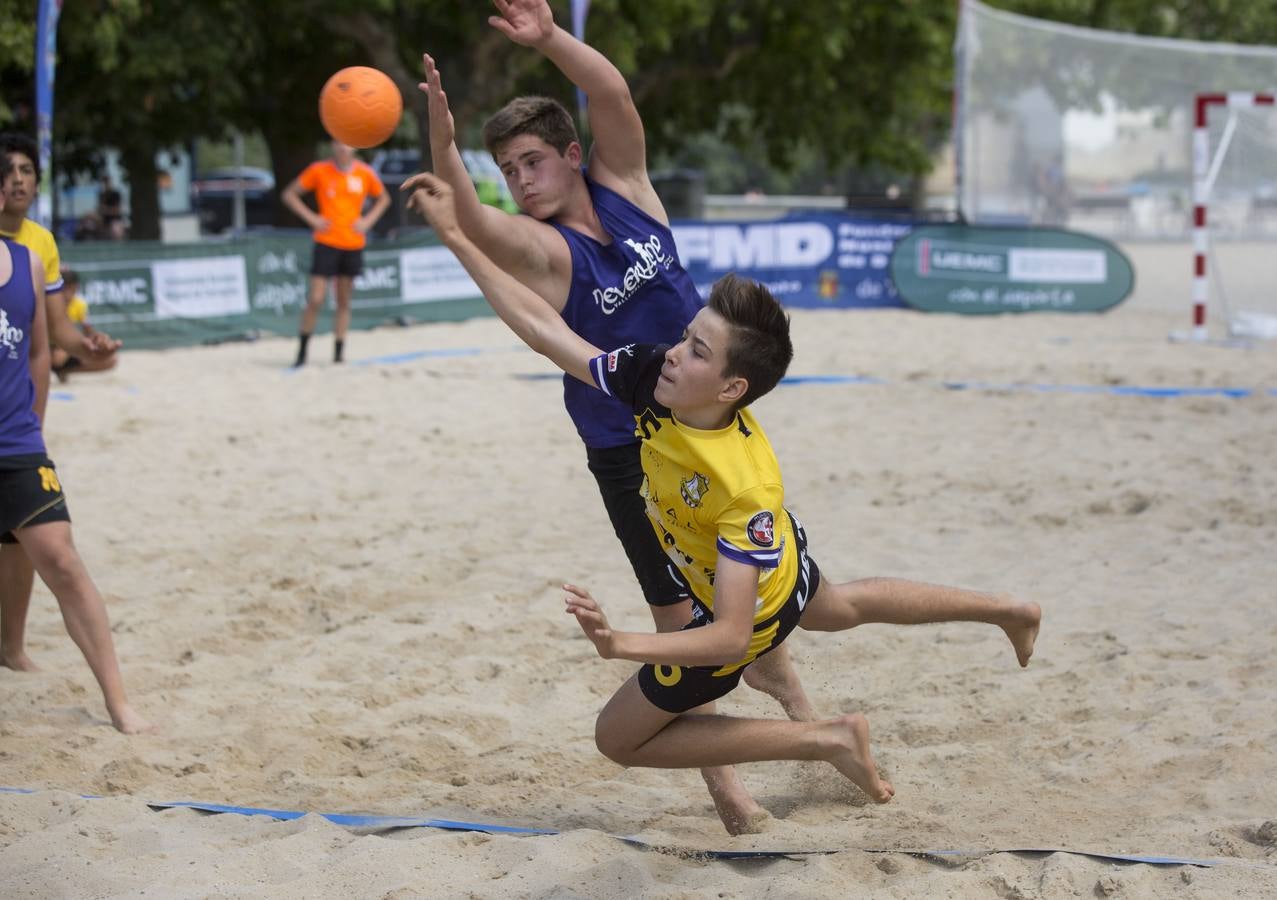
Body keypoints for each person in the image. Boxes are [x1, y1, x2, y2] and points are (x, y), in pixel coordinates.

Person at [409, 172, 1042, 826]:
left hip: (749, 607)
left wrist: (619, 643)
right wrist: (458, 237)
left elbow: (728, 635)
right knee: (841, 606)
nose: (675, 356)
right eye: (685, 339)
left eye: (696, 352)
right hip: (782, 564)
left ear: (730, 387)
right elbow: (546, 333)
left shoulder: (742, 490)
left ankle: (827, 737)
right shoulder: (653, 378)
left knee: (617, 738)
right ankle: (1007, 608)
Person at [403, 0, 813, 833]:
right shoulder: (546, 250)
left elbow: (614, 95)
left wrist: (550, 39)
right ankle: (736, 803)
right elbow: (476, 223)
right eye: (506, 169)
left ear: (569, 155)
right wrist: (442, 145)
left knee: (752, 613)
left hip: (708, 429)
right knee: (677, 626)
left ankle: (806, 725)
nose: (519, 181)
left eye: (530, 162)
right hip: (628, 455)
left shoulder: (624, 187)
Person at [0, 163, 151, 734]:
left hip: (17, 445)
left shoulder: (29, 261)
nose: (14, 184)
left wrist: (33, 423)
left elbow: (43, 352)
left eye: (19, 175)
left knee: (61, 560)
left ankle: (119, 705)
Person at [282, 139, 390, 366]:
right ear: (332, 146)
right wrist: (312, 218)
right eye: (338, 144)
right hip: (326, 241)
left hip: (352, 242)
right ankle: (302, 351)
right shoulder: (319, 170)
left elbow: (384, 199)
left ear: (354, 147)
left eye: (347, 144)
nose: (343, 148)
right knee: (316, 298)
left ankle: (338, 353)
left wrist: (367, 222)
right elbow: (290, 194)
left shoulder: (364, 173)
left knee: (343, 300)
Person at [50, 268, 116, 382]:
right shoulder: (50, 304)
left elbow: (88, 331)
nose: (68, 295)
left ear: (76, 288)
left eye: (72, 290)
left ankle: (64, 370)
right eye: (66, 290)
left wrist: (97, 341)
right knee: (58, 356)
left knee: (110, 360)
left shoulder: (79, 305)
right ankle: (52, 368)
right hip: (51, 347)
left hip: (66, 346)